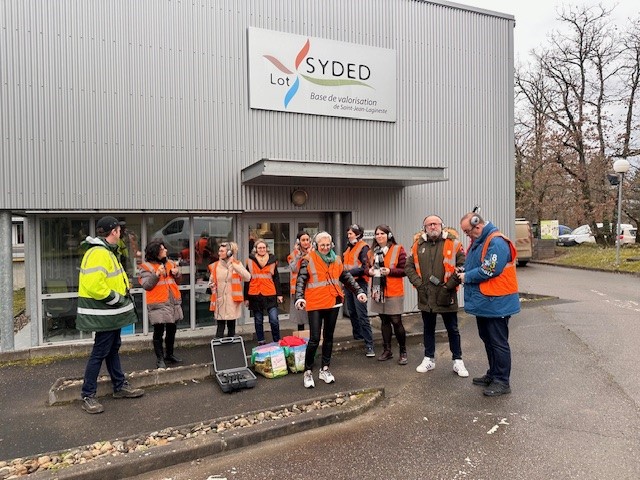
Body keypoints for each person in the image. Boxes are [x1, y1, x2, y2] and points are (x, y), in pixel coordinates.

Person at [76, 216, 144, 414]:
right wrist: (117, 299)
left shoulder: (106, 251)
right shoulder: (99, 253)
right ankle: (88, 395)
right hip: (105, 312)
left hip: (110, 313)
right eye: (119, 229)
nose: (121, 232)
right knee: (100, 351)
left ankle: (119, 385)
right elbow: (95, 286)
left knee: (112, 348)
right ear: (114, 231)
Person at [458, 213, 520, 396]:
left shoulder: (496, 242)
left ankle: (502, 381)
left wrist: (466, 276)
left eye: (468, 232)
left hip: (497, 302)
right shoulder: (480, 242)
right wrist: (463, 270)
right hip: (487, 302)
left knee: (498, 342)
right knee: (488, 339)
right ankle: (493, 374)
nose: (467, 236)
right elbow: (477, 264)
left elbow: (490, 269)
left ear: (478, 226)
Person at [295, 231, 367, 388]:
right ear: (316, 245)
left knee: (329, 337)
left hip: (333, 302)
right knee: (314, 338)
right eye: (322, 245)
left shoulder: (337, 260)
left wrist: (359, 291)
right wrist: (299, 297)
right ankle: (308, 371)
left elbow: (346, 277)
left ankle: (324, 369)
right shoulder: (308, 260)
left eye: (328, 245)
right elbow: (301, 280)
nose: (326, 248)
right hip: (315, 304)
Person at [405, 215, 469, 377]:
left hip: (447, 294)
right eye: (429, 225)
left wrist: (449, 286)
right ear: (424, 227)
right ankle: (429, 359)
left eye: (436, 224)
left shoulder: (453, 243)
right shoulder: (417, 245)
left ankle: (458, 360)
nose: (433, 227)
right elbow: (409, 266)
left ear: (442, 225)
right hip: (426, 295)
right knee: (428, 328)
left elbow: (463, 265)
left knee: (452, 329)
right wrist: (419, 285)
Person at [138, 240, 184, 369]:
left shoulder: (170, 263)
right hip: (158, 303)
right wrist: (156, 274)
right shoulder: (145, 267)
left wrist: (178, 274)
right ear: (156, 252)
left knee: (172, 330)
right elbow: (147, 285)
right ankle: (160, 359)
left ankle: (169, 354)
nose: (166, 251)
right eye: (163, 249)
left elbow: (178, 281)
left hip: (172, 302)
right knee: (158, 332)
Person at [367, 224, 408, 364]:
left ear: (388, 235)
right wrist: (369, 272)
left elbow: (405, 270)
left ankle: (403, 351)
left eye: (382, 234)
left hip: (394, 291)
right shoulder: (372, 252)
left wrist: (390, 272)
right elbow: (366, 269)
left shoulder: (398, 249)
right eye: (377, 234)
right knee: (384, 321)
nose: (379, 236)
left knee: (396, 321)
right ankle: (387, 350)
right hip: (378, 291)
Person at [343, 224, 375, 357]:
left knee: (361, 313)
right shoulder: (348, 248)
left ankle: (369, 345)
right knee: (352, 311)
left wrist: (348, 272)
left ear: (357, 234)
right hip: (348, 284)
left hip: (359, 283)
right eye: (348, 233)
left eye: (350, 233)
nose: (348, 235)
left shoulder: (364, 248)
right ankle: (358, 336)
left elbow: (364, 268)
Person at [208, 242, 251, 338]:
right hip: (220, 300)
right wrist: (212, 286)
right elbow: (211, 281)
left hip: (232, 300)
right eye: (219, 251)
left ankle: (231, 349)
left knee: (231, 328)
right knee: (220, 328)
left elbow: (248, 277)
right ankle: (219, 350)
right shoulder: (215, 266)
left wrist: (234, 265)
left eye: (222, 251)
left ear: (229, 252)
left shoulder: (237, 264)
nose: (219, 253)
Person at [244, 238, 283, 344]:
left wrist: (279, 294)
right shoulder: (250, 261)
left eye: (263, 247)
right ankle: (261, 341)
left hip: (270, 293)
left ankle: (277, 340)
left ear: (267, 249)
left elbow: (276, 278)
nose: (262, 249)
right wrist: (246, 298)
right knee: (258, 320)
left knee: (274, 319)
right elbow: (247, 280)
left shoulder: (273, 260)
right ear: (255, 249)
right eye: (259, 248)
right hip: (255, 294)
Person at [287, 231, 312, 331]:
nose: (306, 242)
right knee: (300, 317)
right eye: (303, 240)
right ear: (298, 242)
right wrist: (298, 255)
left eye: (307, 240)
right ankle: (301, 339)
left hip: (312, 288)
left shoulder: (314, 253)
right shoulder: (293, 255)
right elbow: (294, 269)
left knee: (313, 316)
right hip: (298, 289)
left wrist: (309, 253)